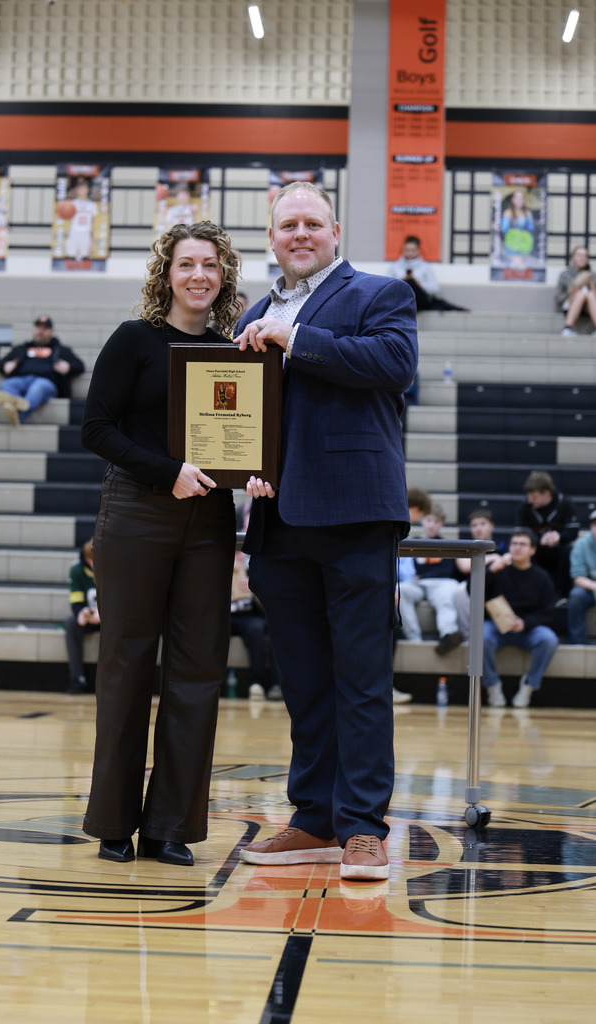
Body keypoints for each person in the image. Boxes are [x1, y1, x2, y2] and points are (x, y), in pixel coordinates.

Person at [234, 180, 418, 881]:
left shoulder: (380, 294)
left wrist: (298, 336)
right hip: (277, 516)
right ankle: (312, 815)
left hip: (354, 512)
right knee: (304, 680)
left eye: (312, 223)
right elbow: (245, 414)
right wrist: (240, 467)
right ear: (272, 239)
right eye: (288, 225)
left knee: (361, 680)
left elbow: (393, 367)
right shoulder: (252, 311)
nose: (300, 234)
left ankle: (363, 827)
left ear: (335, 231)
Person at [80, 220, 241, 866]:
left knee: (198, 670)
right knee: (127, 667)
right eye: (186, 264)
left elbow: (246, 441)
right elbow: (95, 428)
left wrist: (255, 471)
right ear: (166, 274)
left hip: (208, 524)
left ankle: (170, 825)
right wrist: (166, 470)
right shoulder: (133, 341)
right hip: (135, 514)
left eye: (210, 264)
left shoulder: (236, 354)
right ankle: (114, 821)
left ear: (223, 276)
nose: (198, 275)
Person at [482, 528, 559, 708]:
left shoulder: (542, 578)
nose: (517, 548)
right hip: (496, 626)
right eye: (514, 544)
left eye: (523, 544)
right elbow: (472, 591)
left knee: (549, 639)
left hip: (527, 629)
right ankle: (492, 685)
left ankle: (529, 686)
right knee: (481, 636)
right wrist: (490, 571)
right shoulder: (498, 569)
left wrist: (525, 623)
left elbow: (548, 612)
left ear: (533, 549)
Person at [231, 502, 283, 702]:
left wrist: (252, 590)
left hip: (250, 612)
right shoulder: (222, 552)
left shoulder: (258, 556)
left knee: (260, 628)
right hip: (222, 612)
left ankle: (259, 684)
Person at [397, 503, 464, 654]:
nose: (432, 525)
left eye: (436, 521)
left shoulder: (447, 544)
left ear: (442, 524)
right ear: (422, 520)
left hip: (441, 583)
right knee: (400, 590)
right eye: (429, 520)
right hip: (417, 583)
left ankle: (448, 634)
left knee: (447, 593)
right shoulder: (410, 543)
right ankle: (414, 639)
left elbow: (447, 570)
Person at [0, 315, 84, 425]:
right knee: (6, 384)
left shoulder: (61, 350)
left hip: (46, 381)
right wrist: (5, 366)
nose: (40, 332)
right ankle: (17, 406)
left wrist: (68, 367)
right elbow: (0, 363)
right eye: (38, 327)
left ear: (51, 332)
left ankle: (18, 414)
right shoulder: (22, 348)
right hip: (21, 379)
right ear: (34, 329)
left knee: (38, 387)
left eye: (45, 328)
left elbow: (80, 365)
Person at [392, 486, 433, 704]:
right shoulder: (394, 526)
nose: (419, 519)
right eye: (420, 515)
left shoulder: (400, 529)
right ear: (415, 508)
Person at [517, 471, 579, 597]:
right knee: (525, 549)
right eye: (529, 496)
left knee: (569, 551)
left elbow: (573, 531)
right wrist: (539, 539)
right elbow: (520, 533)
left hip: (559, 548)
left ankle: (560, 594)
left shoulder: (565, 504)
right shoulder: (525, 507)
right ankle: (530, 592)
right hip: (536, 547)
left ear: (547, 494)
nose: (530, 500)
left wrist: (559, 537)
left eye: (534, 497)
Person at [454, 507, 506, 639]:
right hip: (470, 589)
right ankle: (468, 636)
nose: (478, 528)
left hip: (495, 588)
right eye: (474, 525)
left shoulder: (502, 546)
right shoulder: (464, 546)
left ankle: (508, 631)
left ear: (492, 526)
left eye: (482, 524)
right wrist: (492, 558)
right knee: (460, 591)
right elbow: (465, 567)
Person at [388, 236, 468, 312]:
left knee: (411, 282)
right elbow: (386, 288)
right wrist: (400, 282)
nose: (409, 253)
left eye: (412, 250)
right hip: (401, 300)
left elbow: (435, 289)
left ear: (418, 250)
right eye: (407, 250)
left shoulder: (425, 267)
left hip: (419, 300)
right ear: (403, 250)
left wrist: (419, 284)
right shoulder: (395, 267)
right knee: (408, 283)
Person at [64, 538, 100, 694]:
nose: (91, 562)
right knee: (71, 623)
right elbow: (76, 601)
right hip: (91, 617)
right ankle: (77, 678)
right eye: (89, 559)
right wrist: (83, 613)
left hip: (112, 618)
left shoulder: (115, 569)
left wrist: (104, 614)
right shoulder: (77, 569)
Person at [566, 509, 596, 644]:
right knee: (577, 595)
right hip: (589, 589)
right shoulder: (581, 545)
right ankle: (577, 643)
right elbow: (578, 578)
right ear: (591, 526)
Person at [555, 246, 596, 336]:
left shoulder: (592, 276)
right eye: (579, 255)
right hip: (571, 304)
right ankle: (567, 328)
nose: (582, 258)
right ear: (572, 257)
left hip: (588, 307)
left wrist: (590, 283)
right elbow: (558, 298)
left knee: (590, 295)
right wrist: (570, 292)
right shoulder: (565, 275)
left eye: (585, 256)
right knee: (580, 295)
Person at [65, 177, 98, 261]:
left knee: (85, 259)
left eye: (84, 188)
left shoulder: (92, 205)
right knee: (70, 258)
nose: (82, 190)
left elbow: (93, 223)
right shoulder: (72, 204)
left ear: (88, 190)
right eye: (80, 188)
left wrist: (92, 242)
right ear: (76, 190)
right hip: (74, 233)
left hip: (85, 234)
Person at [500, 188, 535, 266]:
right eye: (517, 198)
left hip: (525, 246)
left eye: (521, 198)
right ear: (513, 200)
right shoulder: (507, 213)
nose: (519, 200)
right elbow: (503, 230)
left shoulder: (528, 213)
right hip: (511, 245)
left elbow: (531, 230)